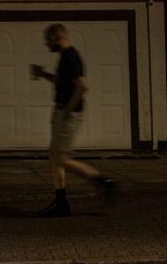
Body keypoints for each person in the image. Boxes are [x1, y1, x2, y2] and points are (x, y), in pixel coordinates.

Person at [31, 23, 114, 217]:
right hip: (61, 111)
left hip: (69, 114)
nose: (46, 44)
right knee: (54, 155)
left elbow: (83, 86)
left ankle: (103, 182)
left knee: (61, 158)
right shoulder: (64, 57)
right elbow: (63, 82)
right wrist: (43, 74)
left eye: (48, 40)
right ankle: (61, 203)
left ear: (58, 38)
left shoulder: (70, 56)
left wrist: (67, 109)